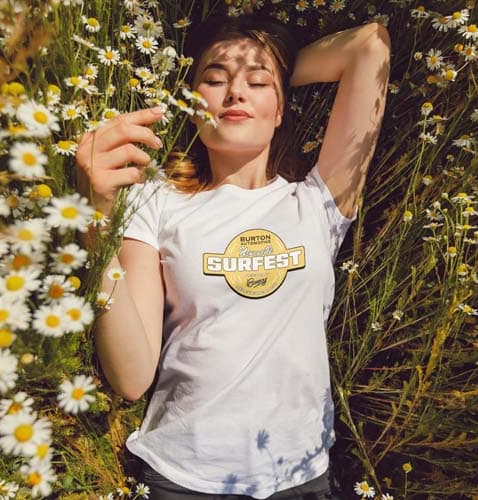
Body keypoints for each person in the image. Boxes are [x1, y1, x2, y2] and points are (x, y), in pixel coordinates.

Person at [75, 13, 391, 500]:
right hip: (182, 478)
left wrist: (276, 68)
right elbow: (132, 377)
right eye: (215, 79)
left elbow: (369, 45)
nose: (236, 92)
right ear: (191, 105)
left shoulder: (319, 202)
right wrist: (97, 222)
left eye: (257, 82)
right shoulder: (155, 202)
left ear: (280, 109)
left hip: (299, 477)